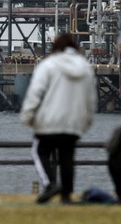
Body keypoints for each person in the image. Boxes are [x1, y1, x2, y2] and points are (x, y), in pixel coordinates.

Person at [20, 32, 96, 204]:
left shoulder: (48, 65)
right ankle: (66, 196)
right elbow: (91, 98)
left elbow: (35, 92)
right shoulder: (85, 67)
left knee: (40, 152)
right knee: (67, 158)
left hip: (49, 121)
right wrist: (87, 121)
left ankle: (50, 183)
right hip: (73, 123)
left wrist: (27, 116)